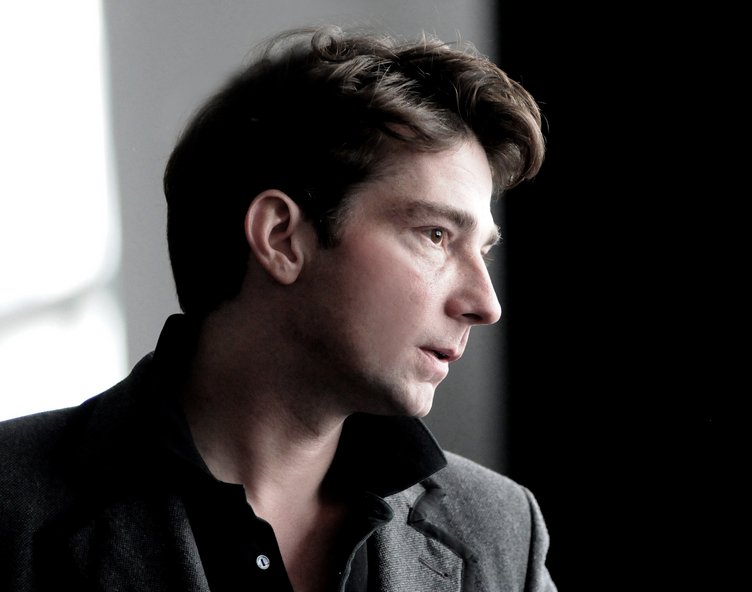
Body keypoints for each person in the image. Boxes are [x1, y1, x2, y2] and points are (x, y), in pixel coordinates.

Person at [0, 24, 555, 592]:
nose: (486, 304)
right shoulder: (11, 507)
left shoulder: (500, 530)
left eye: (482, 250)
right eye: (436, 235)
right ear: (282, 238)